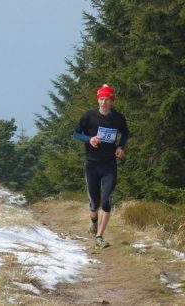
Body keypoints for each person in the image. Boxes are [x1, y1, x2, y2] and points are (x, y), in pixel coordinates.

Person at [73, 84, 129, 248]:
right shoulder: (89, 116)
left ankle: (99, 237)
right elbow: (76, 133)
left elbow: (125, 133)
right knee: (94, 202)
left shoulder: (118, 118)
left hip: (109, 164)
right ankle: (93, 220)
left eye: (107, 99)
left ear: (111, 101)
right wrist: (89, 139)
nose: (104, 102)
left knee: (106, 200)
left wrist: (121, 146)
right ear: (98, 100)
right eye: (101, 99)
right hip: (92, 164)